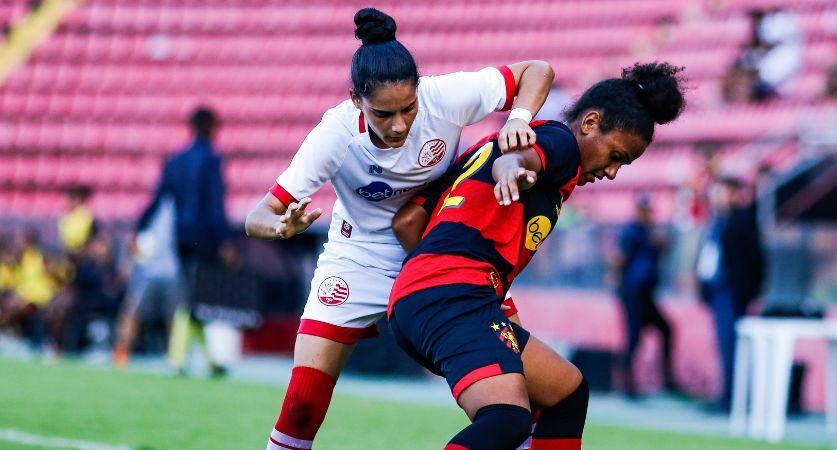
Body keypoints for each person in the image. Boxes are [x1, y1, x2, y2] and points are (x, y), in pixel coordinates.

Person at [243, 8, 555, 450]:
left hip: (444, 254)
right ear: (356, 100)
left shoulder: (445, 96)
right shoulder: (334, 134)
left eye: (408, 109)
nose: (400, 125)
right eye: (383, 114)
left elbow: (537, 71)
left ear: (420, 91)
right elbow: (257, 214)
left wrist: (518, 119)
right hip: (358, 257)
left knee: (523, 394)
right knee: (302, 404)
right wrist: (279, 227)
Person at [389, 62, 686, 449]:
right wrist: (513, 170)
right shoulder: (561, 144)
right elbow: (518, 160)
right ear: (591, 122)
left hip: (429, 296)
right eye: (615, 155)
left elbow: (407, 221)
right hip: (452, 296)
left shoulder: (484, 148)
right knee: (507, 419)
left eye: (622, 164)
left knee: (566, 393)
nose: (612, 172)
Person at [137, 106, 234, 376]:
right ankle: (177, 358)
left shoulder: (176, 160)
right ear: (210, 127)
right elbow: (215, 205)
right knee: (193, 299)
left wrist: (139, 227)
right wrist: (225, 241)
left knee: (194, 296)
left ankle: (210, 361)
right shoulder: (213, 160)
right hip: (205, 239)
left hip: (181, 237)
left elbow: (157, 199)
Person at [696, 176, 764, 412]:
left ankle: (732, 399)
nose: (718, 197)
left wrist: (749, 291)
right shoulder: (718, 220)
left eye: (723, 192)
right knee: (724, 346)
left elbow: (755, 260)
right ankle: (726, 396)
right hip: (717, 291)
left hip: (732, 292)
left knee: (731, 346)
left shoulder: (742, 221)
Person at [612, 197, 676, 398]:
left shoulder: (647, 233)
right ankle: (626, 384)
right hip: (634, 292)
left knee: (665, 329)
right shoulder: (632, 231)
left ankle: (665, 379)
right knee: (634, 336)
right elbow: (620, 259)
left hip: (646, 293)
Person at [112, 195, 181, 367]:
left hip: (168, 272)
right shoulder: (160, 209)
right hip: (154, 272)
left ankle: (175, 357)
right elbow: (133, 242)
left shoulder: (158, 209)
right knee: (133, 314)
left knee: (173, 318)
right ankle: (122, 353)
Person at [57, 185, 96, 256]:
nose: (70, 202)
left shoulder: (85, 214)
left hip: (82, 251)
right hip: (70, 251)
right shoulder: (66, 216)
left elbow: (83, 234)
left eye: (73, 199)